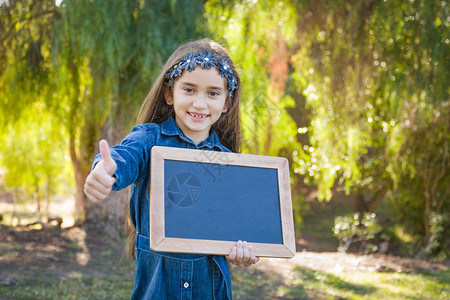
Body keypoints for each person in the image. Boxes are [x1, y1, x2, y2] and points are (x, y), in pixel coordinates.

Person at [84, 39, 259, 299]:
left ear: (226, 102)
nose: (200, 104)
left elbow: (235, 227)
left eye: (212, 93)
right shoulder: (148, 139)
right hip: (158, 288)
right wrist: (106, 169)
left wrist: (242, 250)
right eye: (189, 90)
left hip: (209, 289)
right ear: (169, 93)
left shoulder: (228, 162)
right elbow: (125, 156)